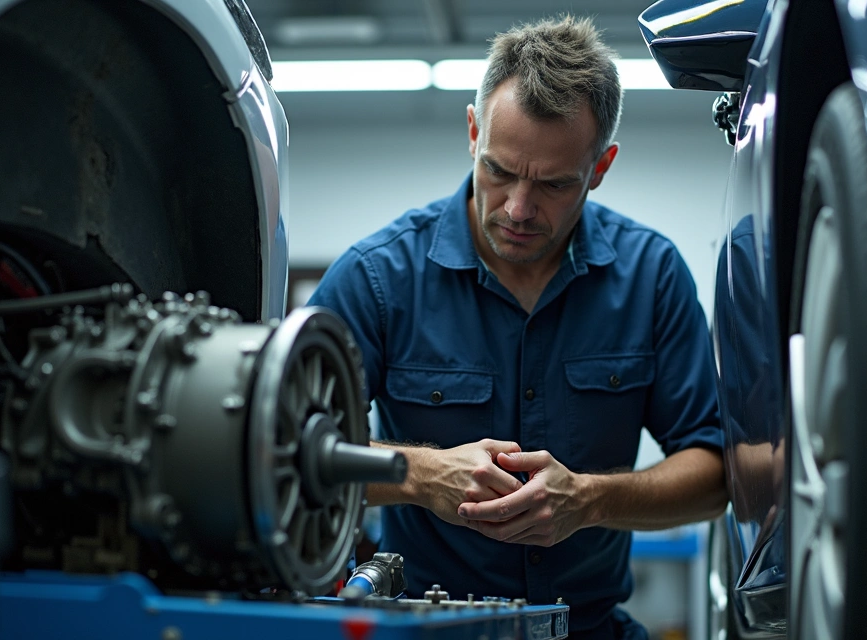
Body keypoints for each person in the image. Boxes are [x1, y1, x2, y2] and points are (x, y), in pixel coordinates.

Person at [308, 15, 726, 639]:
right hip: (420, 628)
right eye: (500, 170)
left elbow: (716, 472)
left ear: (601, 166)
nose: (519, 209)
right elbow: (290, 451)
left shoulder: (652, 275)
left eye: (555, 184)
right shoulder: (378, 278)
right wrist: (422, 475)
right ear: (474, 133)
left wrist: (590, 498)